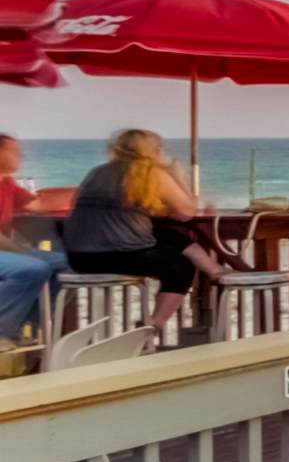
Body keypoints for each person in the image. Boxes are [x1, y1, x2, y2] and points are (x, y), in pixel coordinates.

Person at [63, 129, 223, 336]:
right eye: (159, 149)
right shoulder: (150, 173)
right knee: (180, 267)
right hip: (121, 255)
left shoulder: (97, 172)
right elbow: (186, 213)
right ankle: (153, 325)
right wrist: (177, 176)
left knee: (165, 234)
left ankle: (213, 269)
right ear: (153, 151)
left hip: (79, 257)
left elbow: (116, 207)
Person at [0, 134, 53, 346]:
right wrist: (24, 253)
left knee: (69, 263)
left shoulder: (7, 183)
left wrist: (82, 194)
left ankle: (26, 325)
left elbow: (37, 205)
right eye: (14, 151)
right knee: (33, 268)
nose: (20, 155)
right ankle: (2, 332)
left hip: (6, 251)